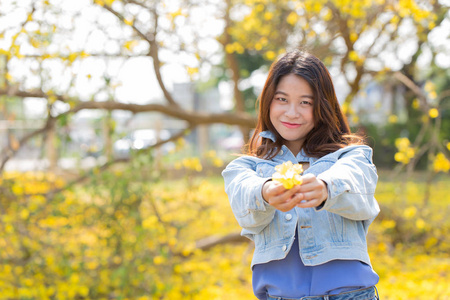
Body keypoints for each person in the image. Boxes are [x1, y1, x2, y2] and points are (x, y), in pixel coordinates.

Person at [222, 49, 380, 300]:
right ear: (267, 102)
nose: (292, 112)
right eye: (282, 99)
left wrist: (326, 188)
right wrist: (265, 192)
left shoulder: (351, 157)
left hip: (350, 294)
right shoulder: (245, 167)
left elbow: (355, 181)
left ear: (322, 106)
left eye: (305, 102)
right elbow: (244, 198)